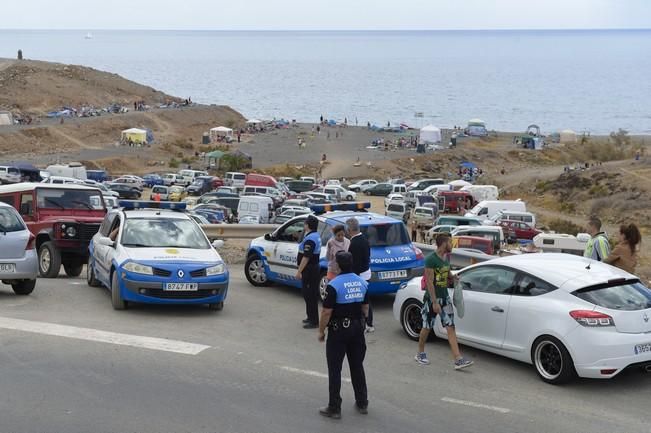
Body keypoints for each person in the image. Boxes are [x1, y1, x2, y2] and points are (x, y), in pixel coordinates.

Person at [318, 252, 369, 419]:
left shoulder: (334, 285)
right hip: (357, 330)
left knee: (335, 369)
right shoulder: (362, 282)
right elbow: (365, 308)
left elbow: (326, 312)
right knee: (357, 366)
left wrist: (321, 331)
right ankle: (362, 402)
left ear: (338, 266)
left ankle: (334, 407)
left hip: (339, 331)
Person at [415, 233, 473, 370]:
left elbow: (446, 274)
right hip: (432, 299)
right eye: (450, 242)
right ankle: (420, 353)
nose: (452, 245)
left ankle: (458, 359)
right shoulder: (431, 259)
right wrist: (434, 302)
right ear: (443, 243)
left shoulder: (446, 258)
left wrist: (453, 277)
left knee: (450, 327)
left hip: (445, 298)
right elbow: (429, 282)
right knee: (427, 327)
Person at [346, 218, 373, 333]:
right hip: (366, 273)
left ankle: (366, 323)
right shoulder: (364, 239)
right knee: (365, 300)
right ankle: (368, 322)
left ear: (349, 229)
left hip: (359, 275)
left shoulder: (354, 243)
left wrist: (351, 277)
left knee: (362, 301)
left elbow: (355, 263)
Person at [296, 215, 322, 329]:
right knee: (308, 294)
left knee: (310, 295)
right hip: (312, 268)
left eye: (305, 223)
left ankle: (314, 320)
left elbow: (306, 257)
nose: (304, 225)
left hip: (309, 269)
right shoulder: (314, 236)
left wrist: (299, 271)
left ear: (308, 225)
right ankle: (310, 316)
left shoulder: (311, 239)